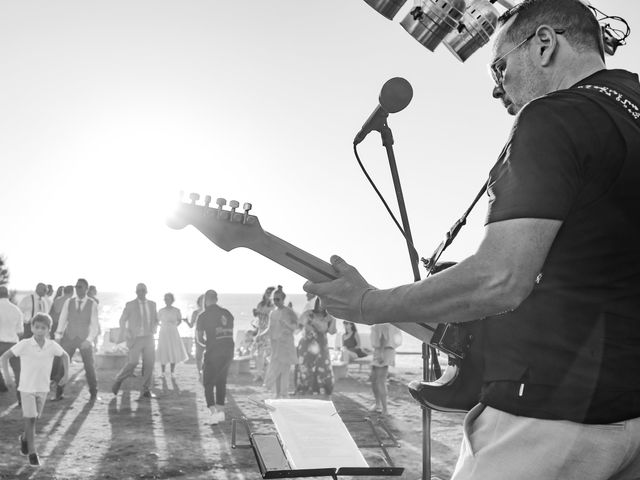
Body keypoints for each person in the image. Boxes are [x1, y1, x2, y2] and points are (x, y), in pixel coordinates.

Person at [304, 1, 640, 478]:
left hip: (549, 418)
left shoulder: (554, 117)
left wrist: (367, 303)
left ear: (544, 44)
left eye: (500, 67)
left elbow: (500, 280)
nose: (496, 89)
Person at [0, 313, 69, 467]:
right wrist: (8, 377)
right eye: (36, 327)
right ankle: (33, 453)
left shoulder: (52, 346)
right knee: (30, 419)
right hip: (26, 388)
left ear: (48, 330)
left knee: (35, 418)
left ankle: (25, 438)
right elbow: (4, 357)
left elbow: (65, 356)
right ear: (31, 327)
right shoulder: (24, 344)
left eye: (43, 328)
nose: (39, 330)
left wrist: (66, 374)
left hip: (42, 388)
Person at [54, 278, 100, 400]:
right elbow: (62, 320)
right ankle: (58, 394)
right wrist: (58, 337)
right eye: (76, 286)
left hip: (84, 338)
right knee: (63, 365)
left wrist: (89, 340)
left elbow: (95, 326)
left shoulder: (92, 303)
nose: (77, 289)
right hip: (69, 337)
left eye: (80, 287)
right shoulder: (69, 302)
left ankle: (94, 394)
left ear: (86, 288)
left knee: (89, 366)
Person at [111, 283, 158, 399]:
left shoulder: (152, 304)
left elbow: (156, 319)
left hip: (149, 338)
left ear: (146, 291)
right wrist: (125, 331)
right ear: (136, 292)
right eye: (138, 291)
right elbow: (122, 320)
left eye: (143, 290)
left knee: (149, 364)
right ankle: (118, 380)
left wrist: (155, 328)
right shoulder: (130, 305)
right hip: (135, 339)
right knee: (133, 362)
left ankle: (145, 390)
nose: (140, 292)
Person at [196, 289, 234, 424]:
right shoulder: (228, 314)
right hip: (229, 351)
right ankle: (220, 412)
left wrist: (208, 344)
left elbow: (199, 339)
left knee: (208, 382)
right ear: (217, 299)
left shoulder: (203, 315)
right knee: (221, 381)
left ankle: (213, 413)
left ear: (206, 300)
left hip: (213, 351)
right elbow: (228, 334)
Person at [258, 286, 298, 398]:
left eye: (278, 299)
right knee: (276, 370)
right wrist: (260, 335)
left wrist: (287, 325)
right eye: (274, 299)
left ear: (283, 299)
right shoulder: (272, 313)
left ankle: (283, 394)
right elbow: (270, 328)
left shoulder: (289, 312)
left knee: (284, 371)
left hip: (286, 345)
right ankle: (277, 394)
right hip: (276, 346)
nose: (276, 301)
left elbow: (296, 326)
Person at [295, 297, 336, 395]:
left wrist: (333, 320)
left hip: (322, 345)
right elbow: (298, 328)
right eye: (320, 303)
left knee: (322, 367)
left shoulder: (329, 317)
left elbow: (332, 331)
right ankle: (304, 388)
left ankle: (321, 389)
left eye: (325, 303)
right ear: (317, 303)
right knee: (305, 366)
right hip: (306, 344)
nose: (322, 305)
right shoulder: (308, 314)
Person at [369, 323, 401, 415]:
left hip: (383, 351)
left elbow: (383, 338)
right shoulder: (384, 320)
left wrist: (381, 354)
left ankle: (385, 409)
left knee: (380, 381)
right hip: (381, 351)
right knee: (374, 380)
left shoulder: (382, 321)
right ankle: (378, 404)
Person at [156, 292, 188, 378]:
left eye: (169, 299)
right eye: (166, 299)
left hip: (173, 331)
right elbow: (157, 320)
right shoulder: (161, 310)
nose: (167, 301)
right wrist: (162, 326)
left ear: (172, 300)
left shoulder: (176, 310)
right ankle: (162, 372)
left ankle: (172, 372)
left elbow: (180, 320)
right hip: (163, 332)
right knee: (164, 350)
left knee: (173, 350)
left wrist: (174, 326)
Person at [0, 286, 23, 399]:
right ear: (8, 295)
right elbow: (20, 331)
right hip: (13, 343)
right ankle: (20, 398)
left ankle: (1, 386)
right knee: (18, 370)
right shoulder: (16, 310)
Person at [251, 286, 275, 382]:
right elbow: (258, 317)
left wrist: (260, 311)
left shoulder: (274, 305)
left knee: (269, 355)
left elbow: (270, 313)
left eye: (270, 293)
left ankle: (268, 376)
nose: (268, 294)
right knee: (258, 355)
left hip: (269, 332)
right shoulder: (260, 304)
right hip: (260, 331)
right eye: (267, 292)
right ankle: (259, 374)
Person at [187, 294, 205, 376]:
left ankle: (206, 370)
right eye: (202, 300)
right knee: (199, 355)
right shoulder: (195, 312)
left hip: (210, 334)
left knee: (209, 354)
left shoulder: (210, 312)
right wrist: (186, 321)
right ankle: (200, 371)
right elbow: (191, 325)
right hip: (198, 334)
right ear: (199, 302)